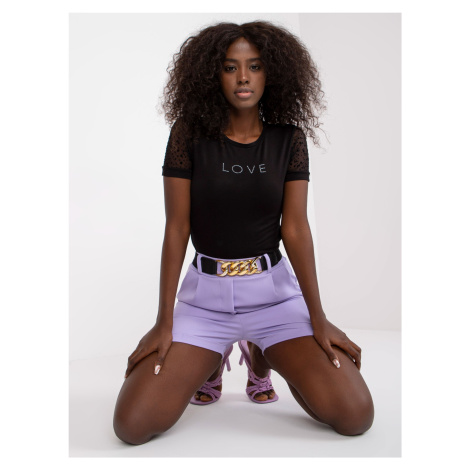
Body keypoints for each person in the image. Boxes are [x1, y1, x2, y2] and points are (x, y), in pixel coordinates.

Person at [113, 20, 374, 445]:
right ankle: (212, 357)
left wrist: (318, 318)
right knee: (132, 426)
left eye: (254, 66)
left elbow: (295, 229)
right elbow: (177, 227)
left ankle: (261, 352)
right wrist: (164, 322)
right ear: (212, 75)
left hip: (274, 299)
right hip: (204, 303)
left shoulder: (289, 140)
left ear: (272, 73)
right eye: (230, 67)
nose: (243, 78)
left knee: (354, 416)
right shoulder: (188, 135)